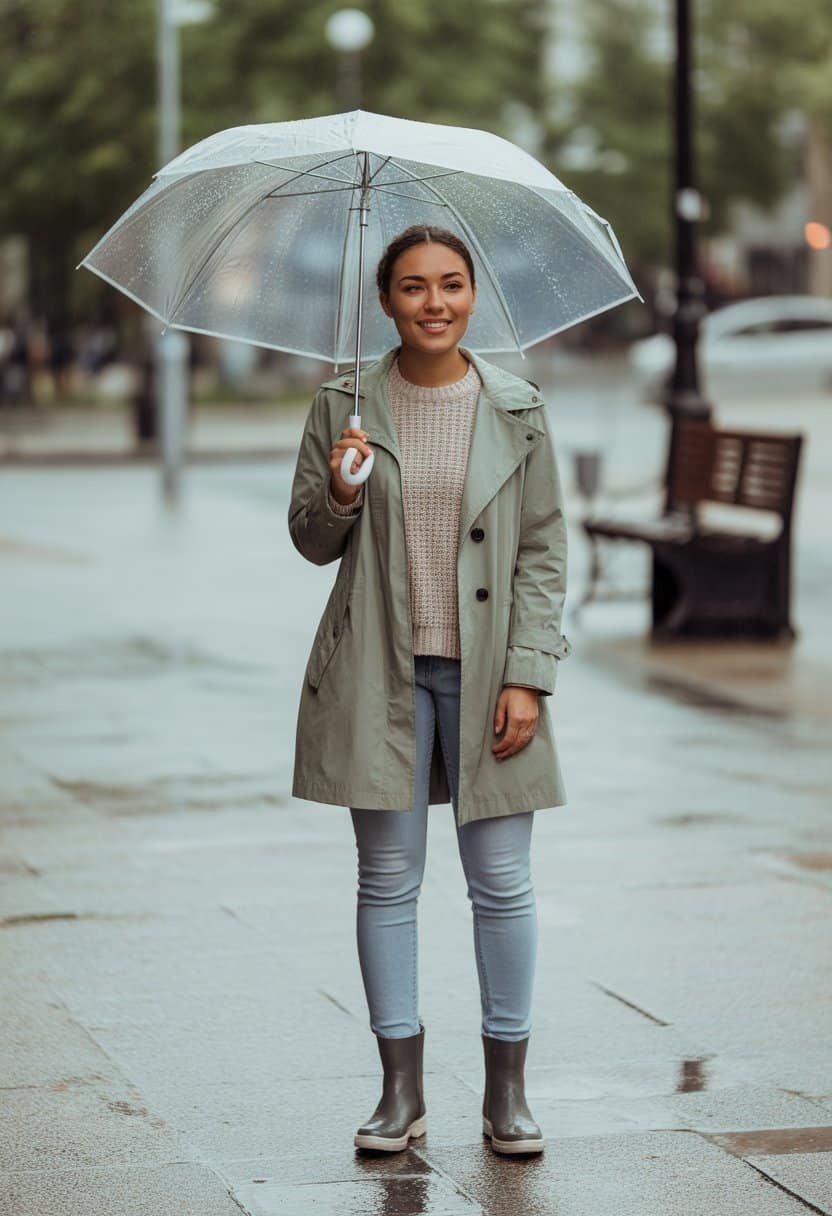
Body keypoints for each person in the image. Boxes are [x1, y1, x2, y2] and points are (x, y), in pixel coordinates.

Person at [288, 224, 571, 1157]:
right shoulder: (346, 404)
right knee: (387, 879)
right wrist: (338, 489)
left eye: (451, 285)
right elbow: (309, 539)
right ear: (386, 300)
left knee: (503, 883)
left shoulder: (519, 407)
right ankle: (400, 1092)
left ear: (473, 296)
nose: (434, 303)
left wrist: (530, 674)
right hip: (381, 669)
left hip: (489, 672)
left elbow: (541, 551)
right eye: (413, 287)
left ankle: (507, 1095)